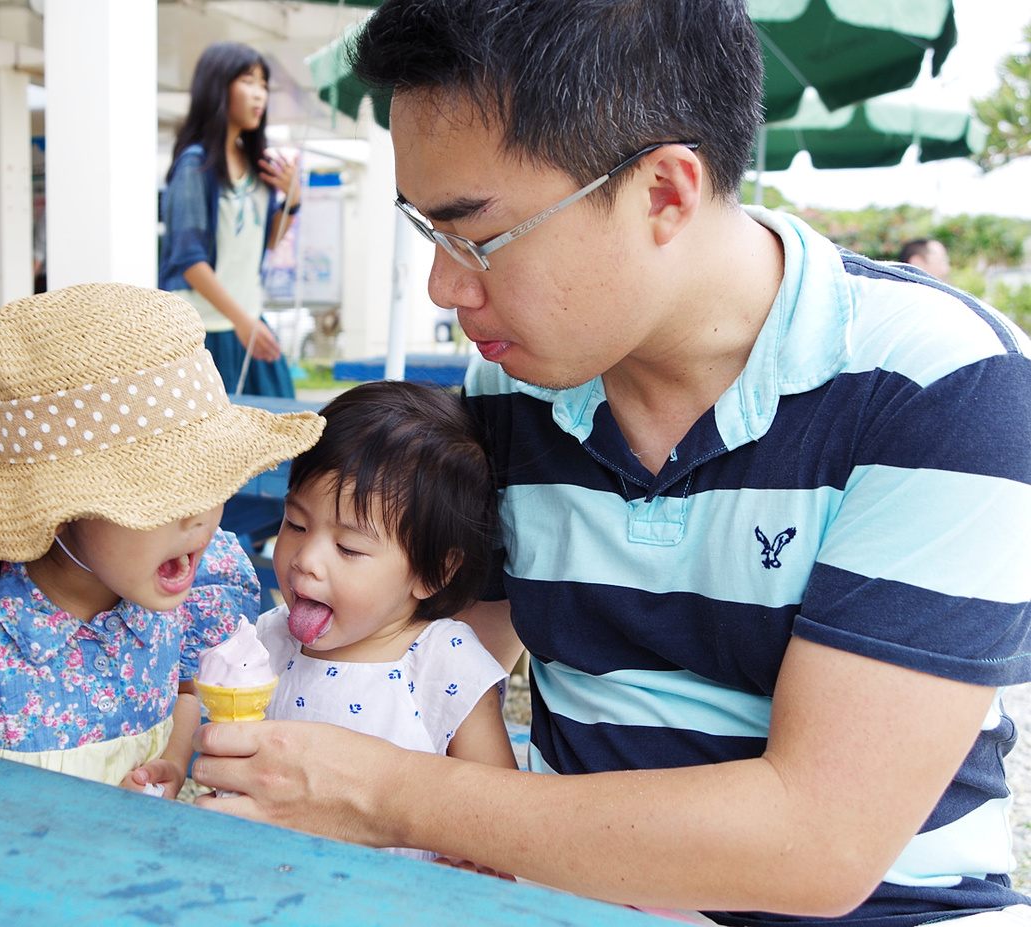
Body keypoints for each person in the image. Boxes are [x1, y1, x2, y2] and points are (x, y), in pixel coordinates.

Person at [191, 1, 1031, 924]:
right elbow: (429, 644)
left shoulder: (943, 386)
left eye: (475, 233)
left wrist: (389, 795)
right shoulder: (513, 392)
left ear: (665, 192)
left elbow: (816, 842)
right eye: (429, 233)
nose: (444, 284)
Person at [0, 282, 323, 796]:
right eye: (160, 492)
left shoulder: (200, 591)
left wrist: (175, 760)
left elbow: (191, 689)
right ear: (59, 512)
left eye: (210, 478)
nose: (198, 518)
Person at [256, 380, 517, 861]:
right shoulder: (267, 641)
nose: (305, 559)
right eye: (295, 524)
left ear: (433, 571)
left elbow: (494, 801)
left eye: (349, 548)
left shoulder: (444, 662)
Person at [158, 42, 301, 398]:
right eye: (249, 81)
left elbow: (263, 244)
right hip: (206, 330)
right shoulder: (195, 165)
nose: (260, 95)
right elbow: (189, 260)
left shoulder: (256, 164)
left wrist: (292, 201)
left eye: (264, 85)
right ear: (218, 86)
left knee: (276, 430)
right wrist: (242, 322)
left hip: (246, 322)